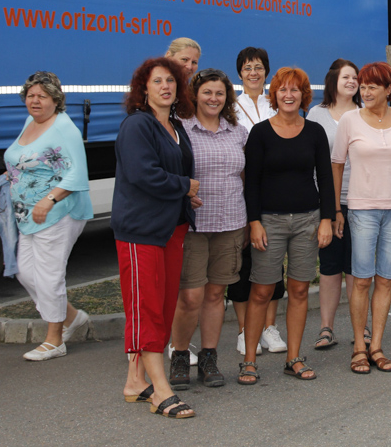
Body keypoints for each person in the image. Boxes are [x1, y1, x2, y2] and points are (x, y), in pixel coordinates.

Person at [113, 57, 198, 419]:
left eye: (171, 81)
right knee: (146, 308)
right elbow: (142, 173)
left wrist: (186, 194)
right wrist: (185, 186)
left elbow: (176, 171)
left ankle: (135, 381)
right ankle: (161, 390)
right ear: (143, 89)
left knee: (162, 308)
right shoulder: (137, 125)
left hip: (172, 229)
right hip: (141, 231)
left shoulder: (175, 126)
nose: (166, 87)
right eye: (158, 81)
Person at [241, 67, 335, 383]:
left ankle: (293, 358)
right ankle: (249, 361)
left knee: (299, 289)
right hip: (269, 222)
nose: (289, 95)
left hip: (308, 220)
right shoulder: (260, 133)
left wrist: (326, 219)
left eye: (295, 90)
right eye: (283, 89)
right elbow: (251, 183)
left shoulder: (315, 132)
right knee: (262, 290)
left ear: (303, 95)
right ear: (275, 95)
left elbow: (325, 178)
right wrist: (254, 222)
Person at [332, 61, 391, 373]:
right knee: (361, 280)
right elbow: (336, 165)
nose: (366, 92)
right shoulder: (350, 120)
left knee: (386, 279)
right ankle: (359, 347)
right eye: (363, 86)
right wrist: (336, 209)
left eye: (373, 86)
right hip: (361, 209)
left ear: (388, 89)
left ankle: (377, 347)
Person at [4, 71, 93, 361]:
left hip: (57, 212)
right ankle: (72, 318)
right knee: (24, 272)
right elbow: (29, 157)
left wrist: (49, 199)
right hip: (27, 215)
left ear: (56, 99)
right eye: (30, 95)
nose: (35, 101)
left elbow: (77, 173)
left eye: (42, 96)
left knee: (49, 276)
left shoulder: (64, 128)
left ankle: (55, 340)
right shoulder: (31, 122)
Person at [167, 69, 247, 390]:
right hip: (194, 225)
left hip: (231, 223)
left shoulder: (238, 132)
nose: (213, 99)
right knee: (190, 296)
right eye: (207, 92)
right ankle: (180, 355)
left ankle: (209, 358)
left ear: (227, 98)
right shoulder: (181, 129)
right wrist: (184, 192)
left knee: (215, 294)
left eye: (219, 93)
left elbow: (245, 176)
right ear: (195, 95)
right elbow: (170, 171)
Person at [228, 46, 287, 356]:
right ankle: (243, 330)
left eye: (259, 67)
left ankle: (268, 327)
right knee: (242, 263)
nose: (254, 72)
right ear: (240, 73)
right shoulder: (230, 107)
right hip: (239, 193)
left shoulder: (276, 103)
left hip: (274, 193)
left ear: (267, 71)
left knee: (273, 260)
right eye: (248, 67)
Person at [306, 59, 361, 351]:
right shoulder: (317, 114)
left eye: (355, 77)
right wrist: (328, 207)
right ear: (333, 81)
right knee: (329, 266)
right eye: (346, 77)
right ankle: (326, 328)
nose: (352, 82)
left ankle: (359, 328)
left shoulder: (365, 112)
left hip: (362, 200)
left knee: (356, 266)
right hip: (327, 201)